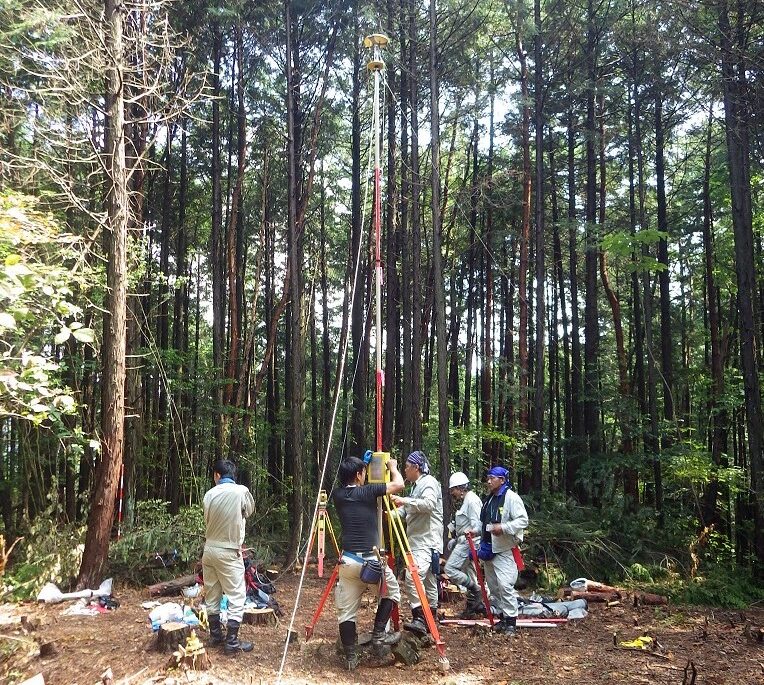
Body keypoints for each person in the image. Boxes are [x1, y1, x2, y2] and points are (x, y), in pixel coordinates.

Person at [333, 455, 405, 670]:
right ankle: (379, 636)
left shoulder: (338, 495)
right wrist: (391, 466)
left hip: (347, 562)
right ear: (357, 474)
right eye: (363, 472)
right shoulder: (368, 492)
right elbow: (399, 484)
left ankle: (351, 657)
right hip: (371, 561)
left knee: (346, 612)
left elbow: (354, 490)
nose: (365, 476)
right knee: (391, 593)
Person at [202, 459, 255, 655]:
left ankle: (215, 635)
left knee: (212, 594)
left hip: (209, 549)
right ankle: (231, 641)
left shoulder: (209, 494)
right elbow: (249, 511)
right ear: (232, 475)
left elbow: (207, 518)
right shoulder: (241, 491)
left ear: (217, 475)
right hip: (229, 550)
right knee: (237, 595)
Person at [389, 450, 443, 637]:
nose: (405, 470)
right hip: (419, 540)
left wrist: (403, 500)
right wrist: (388, 513)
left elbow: (428, 505)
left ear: (416, 467)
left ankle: (420, 617)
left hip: (426, 540)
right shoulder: (416, 487)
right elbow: (406, 512)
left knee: (413, 577)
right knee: (428, 581)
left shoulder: (429, 483)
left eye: (406, 466)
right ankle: (430, 618)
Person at [478, 465, 528, 635]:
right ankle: (502, 618)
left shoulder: (512, 498)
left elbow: (523, 521)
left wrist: (504, 527)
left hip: (505, 548)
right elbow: (484, 522)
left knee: (505, 585)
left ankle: (511, 622)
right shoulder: (489, 499)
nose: (489, 481)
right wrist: (475, 531)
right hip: (489, 548)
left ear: (502, 480)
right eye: (488, 477)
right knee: (494, 587)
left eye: (492, 478)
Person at [443, 471, 486, 617]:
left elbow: (478, 527)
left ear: (461, 488)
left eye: (453, 489)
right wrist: (455, 538)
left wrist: (467, 537)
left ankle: (476, 589)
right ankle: (473, 607)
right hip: (464, 541)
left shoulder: (472, 500)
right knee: (470, 574)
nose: (452, 493)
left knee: (450, 569)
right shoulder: (466, 501)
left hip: (469, 543)